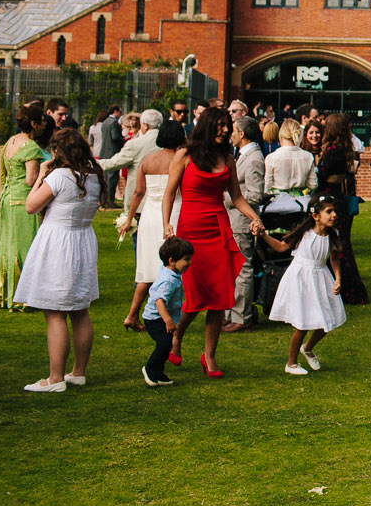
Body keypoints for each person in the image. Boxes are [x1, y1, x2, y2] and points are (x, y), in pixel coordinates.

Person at [162, 106, 265, 378]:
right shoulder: (185, 154)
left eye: (227, 125)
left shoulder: (228, 159)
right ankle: (177, 337)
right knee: (195, 298)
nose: (225, 130)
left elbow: (238, 198)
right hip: (190, 231)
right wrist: (166, 225)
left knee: (219, 299)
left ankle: (209, 357)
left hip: (218, 230)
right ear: (208, 126)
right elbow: (170, 192)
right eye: (219, 125)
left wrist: (255, 218)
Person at [14, 128, 107, 391]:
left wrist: (41, 176)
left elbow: (31, 206)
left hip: (59, 243)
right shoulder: (93, 176)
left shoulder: (58, 176)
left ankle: (55, 379)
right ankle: (78, 372)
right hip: (82, 241)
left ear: (58, 150)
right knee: (80, 310)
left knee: (55, 311)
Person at [259, 192, 348, 376]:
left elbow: (333, 259)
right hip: (301, 279)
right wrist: (263, 235)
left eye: (334, 211)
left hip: (320, 277)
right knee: (302, 324)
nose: (334, 215)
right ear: (315, 216)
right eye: (329, 212)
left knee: (329, 320)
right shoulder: (304, 233)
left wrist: (338, 278)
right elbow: (281, 247)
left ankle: (307, 348)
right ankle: (291, 363)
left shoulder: (332, 235)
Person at [118, 124, 188, 332]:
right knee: (174, 265)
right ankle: (173, 315)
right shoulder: (180, 160)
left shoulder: (147, 160)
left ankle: (132, 314)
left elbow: (138, 192)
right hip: (172, 212)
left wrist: (129, 218)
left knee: (146, 268)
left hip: (148, 214)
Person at [0, 105, 53, 311]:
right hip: (23, 202)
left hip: (7, 199)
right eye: (42, 121)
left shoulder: (10, 141)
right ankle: (25, 297)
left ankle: (7, 294)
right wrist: (46, 173)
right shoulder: (31, 147)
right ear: (33, 123)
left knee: (8, 247)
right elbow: (31, 180)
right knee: (27, 248)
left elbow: (4, 172)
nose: (44, 125)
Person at [315, 113, 368, 305]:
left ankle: (345, 289)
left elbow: (321, 173)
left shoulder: (332, 149)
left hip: (330, 194)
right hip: (337, 194)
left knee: (336, 243)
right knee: (341, 241)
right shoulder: (344, 147)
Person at [220, 117, 266, 332]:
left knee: (242, 268)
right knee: (231, 268)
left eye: (233, 131)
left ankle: (242, 316)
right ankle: (232, 312)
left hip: (241, 220)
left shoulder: (254, 158)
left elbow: (255, 195)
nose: (231, 135)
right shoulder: (243, 155)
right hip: (232, 219)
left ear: (241, 133)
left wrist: (226, 196)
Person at [141, 237, 193, 386]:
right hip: (155, 318)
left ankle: (158, 372)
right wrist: (168, 321)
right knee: (164, 344)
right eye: (186, 259)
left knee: (167, 344)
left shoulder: (170, 273)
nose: (189, 263)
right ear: (171, 261)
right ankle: (150, 368)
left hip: (161, 317)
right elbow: (159, 301)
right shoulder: (168, 280)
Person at [100, 107, 162, 214]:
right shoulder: (169, 144)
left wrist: (89, 162)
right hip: (162, 199)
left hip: (139, 199)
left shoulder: (135, 144)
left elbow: (112, 163)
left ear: (145, 125)